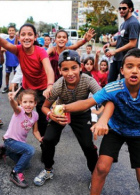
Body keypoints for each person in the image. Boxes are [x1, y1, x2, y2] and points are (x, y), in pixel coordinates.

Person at [63, 48, 140, 195]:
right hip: (115, 130)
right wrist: (64, 107)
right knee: (101, 168)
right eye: (129, 66)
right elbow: (88, 103)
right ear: (122, 70)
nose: (134, 71)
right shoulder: (113, 88)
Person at [33, 50, 100, 187]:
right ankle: (48, 169)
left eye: (74, 68)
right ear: (60, 70)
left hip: (82, 114)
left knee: (88, 146)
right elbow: (45, 107)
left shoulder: (88, 81)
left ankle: (95, 174)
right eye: (65, 69)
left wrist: (100, 117)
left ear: (80, 67)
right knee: (48, 140)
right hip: (61, 112)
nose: (70, 73)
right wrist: (51, 115)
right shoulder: (58, 85)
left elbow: (103, 96)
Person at [0, 20, 54, 141]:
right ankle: (11, 139)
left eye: (30, 34)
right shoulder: (19, 49)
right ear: (19, 37)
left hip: (42, 90)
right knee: (18, 115)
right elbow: (6, 45)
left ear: (35, 37)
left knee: (43, 121)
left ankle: (44, 144)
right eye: (23, 35)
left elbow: (49, 69)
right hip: (26, 88)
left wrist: (50, 86)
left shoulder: (41, 52)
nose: (26, 37)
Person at [0, 89, 41, 188]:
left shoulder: (35, 115)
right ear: (20, 103)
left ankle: (5, 151)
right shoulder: (19, 111)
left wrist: (40, 140)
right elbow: (14, 106)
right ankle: (15, 173)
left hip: (19, 143)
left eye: (31, 102)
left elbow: (35, 131)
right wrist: (11, 100)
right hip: (10, 141)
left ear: (35, 103)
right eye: (25, 102)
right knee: (30, 150)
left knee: (26, 165)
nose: (28, 105)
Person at [103, 0, 140, 83]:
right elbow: (121, 40)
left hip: (126, 59)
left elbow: (133, 43)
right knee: (110, 81)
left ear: (130, 9)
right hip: (117, 58)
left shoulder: (133, 23)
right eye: (120, 8)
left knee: (125, 82)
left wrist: (115, 51)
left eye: (124, 8)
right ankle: (111, 96)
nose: (121, 10)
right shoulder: (124, 23)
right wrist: (109, 44)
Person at [2, 25, 20, 93]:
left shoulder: (17, 40)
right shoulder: (6, 40)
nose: (11, 32)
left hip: (16, 61)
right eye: (10, 30)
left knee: (16, 74)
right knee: (7, 74)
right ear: (8, 31)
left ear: (15, 31)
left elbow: (16, 46)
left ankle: (16, 87)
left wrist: (16, 37)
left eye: (13, 30)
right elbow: (3, 48)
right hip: (8, 61)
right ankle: (6, 86)